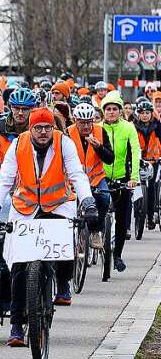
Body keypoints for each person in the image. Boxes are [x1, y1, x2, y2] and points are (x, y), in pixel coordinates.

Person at [0, 108, 96, 347]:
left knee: (66, 241)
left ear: (53, 128)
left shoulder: (64, 143)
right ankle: (16, 325)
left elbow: (77, 174)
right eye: (38, 128)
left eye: (47, 128)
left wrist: (88, 202)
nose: (43, 132)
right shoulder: (18, 145)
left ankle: (63, 283)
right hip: (25, 207)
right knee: (19, 265)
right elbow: (5, 178)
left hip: (58, 203)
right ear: (30, 129)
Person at [98, 91, 140, 272]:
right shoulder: (98, 128)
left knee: (122, 219)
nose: (111, 112)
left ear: (121, 111)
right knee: (99, 210)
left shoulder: (128, 127)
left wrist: (134, 178)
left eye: (115, 109)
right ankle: (97, 236)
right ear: (103, 111)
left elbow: (136, 151)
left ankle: (117, 255)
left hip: (123, 178)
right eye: (108, 109)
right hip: (101, 177)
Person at [68, 102, 114, 250]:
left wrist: (99, 147)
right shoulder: (67, 133)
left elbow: (110, 158)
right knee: (68, 203)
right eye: (82, 123)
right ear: (75, 120)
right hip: (73, 180)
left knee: (104, 198)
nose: (86, 126)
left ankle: (96, 232)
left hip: (96, 178)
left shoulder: (100, 132)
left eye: (89, 122)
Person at [133, 98, 161, 229]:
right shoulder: (132, 126)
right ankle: (136, 212)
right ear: (138, 113)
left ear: (151, 113)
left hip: (153, 160)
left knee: (151, 189)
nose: (144, 115)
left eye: (147, 113)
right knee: (136, 187)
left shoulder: (158, 126)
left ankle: (150, 217)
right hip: (137, 161)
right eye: (142, 112)